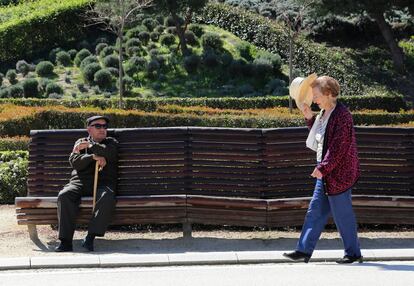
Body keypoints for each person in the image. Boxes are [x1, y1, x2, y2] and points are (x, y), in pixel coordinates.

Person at [283, 74, 362, 264]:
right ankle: (303, 251)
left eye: (316, 95)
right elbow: (320, 137)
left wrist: (323, 167)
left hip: (339, 175)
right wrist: (310, 118)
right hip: (327, 174)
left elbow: (338, 147)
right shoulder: (324, 113)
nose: (314, 99)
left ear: (328, 94)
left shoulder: (342, 116)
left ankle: (353, 253)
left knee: (342, 215)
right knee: (315, 212)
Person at [55, 115, 118, 252]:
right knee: (64, 195)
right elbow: (74, 161)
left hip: (103, 183)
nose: (102, 129)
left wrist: (91, 146)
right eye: (98, 126)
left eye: (105, 126)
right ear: (89, 129)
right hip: (79, 182)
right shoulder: (80, 142)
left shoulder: (111, 142)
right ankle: (65, 241)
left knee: (107, 197)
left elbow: (109, 153)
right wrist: (92, 156)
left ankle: (90, 237)